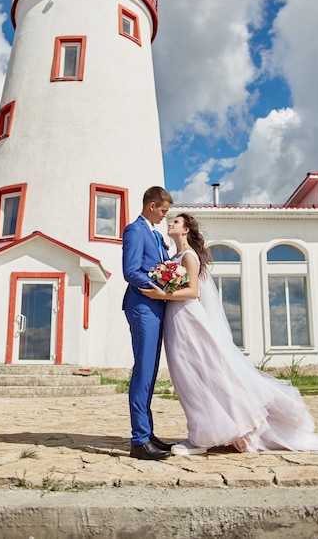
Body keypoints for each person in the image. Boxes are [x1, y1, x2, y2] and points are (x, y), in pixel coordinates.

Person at [140, 213, 318, 456]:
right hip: (175, 320)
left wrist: (162, 295)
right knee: (186, 377)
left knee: (200, 374)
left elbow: (193, 291)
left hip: (189, 318)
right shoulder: (173, 257)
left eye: (176, 222)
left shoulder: (189, 256)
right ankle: (214, 429)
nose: (171, 223)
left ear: (185, 230)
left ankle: (202, 437)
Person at [122, 186, 174, 460]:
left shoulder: (155, 234)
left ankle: (148, 432)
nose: (165, 217)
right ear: (152, 205)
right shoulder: (134, 230)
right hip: (142, 306)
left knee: (151, 370)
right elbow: (130, 272)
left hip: (156, 306)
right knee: (143, 369)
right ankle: (139, 440)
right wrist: (160, 287)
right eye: (164, 211)